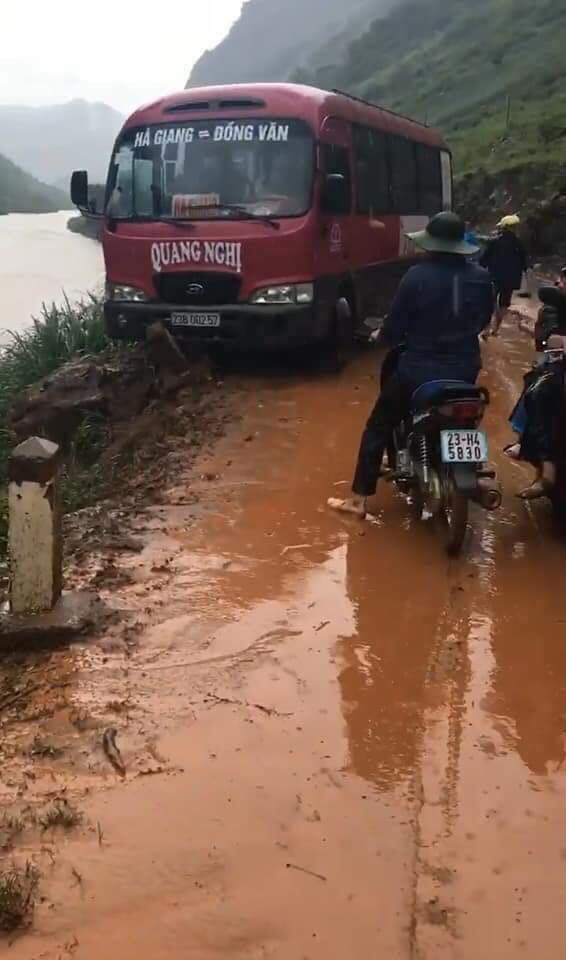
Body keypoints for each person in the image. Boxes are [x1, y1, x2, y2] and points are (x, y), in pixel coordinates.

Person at [328, 212, 494, 518]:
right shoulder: (482, 277)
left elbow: (394, 326)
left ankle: (358, 500)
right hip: (465, 370)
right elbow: (483, 319)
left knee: (378, 424)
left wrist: (380, 335)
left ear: (431, 244)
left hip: (418, 371)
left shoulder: (416, 276)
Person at [506, 273, 566, 498]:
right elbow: (548, 337)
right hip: (558, 363)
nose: (559, 282)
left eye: (563, 279)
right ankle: (545, 466)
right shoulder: (554, 307)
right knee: (537, 391)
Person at [479, 213, 528, 336]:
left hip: (494, 277)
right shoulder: (519, 244)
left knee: (489, 302)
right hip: (511, 280)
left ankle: (486, 328)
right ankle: (496, 329)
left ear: (503, 227)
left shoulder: (495, 242)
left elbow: (483, 260)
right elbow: (524, 263)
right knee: (504, 304)